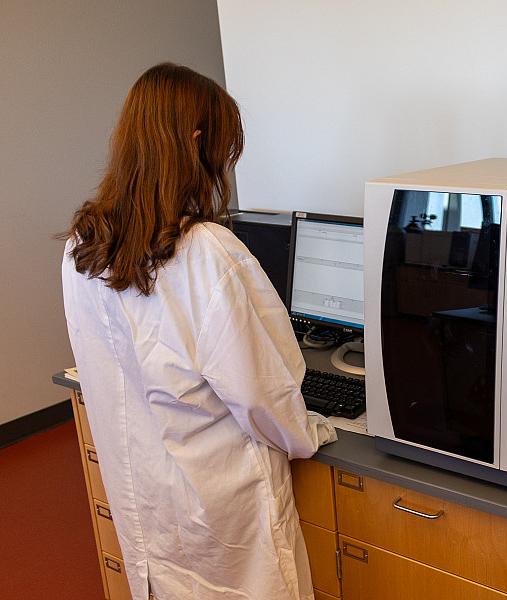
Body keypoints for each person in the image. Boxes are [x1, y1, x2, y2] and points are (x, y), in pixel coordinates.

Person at [61, 63, 336, 600]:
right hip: (220, 499)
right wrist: (311, 432)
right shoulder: (208, 252)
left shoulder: (82, 244)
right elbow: (263, 397)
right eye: (224, 152)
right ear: (194, 142)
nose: (224, 169)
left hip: (144, 491)